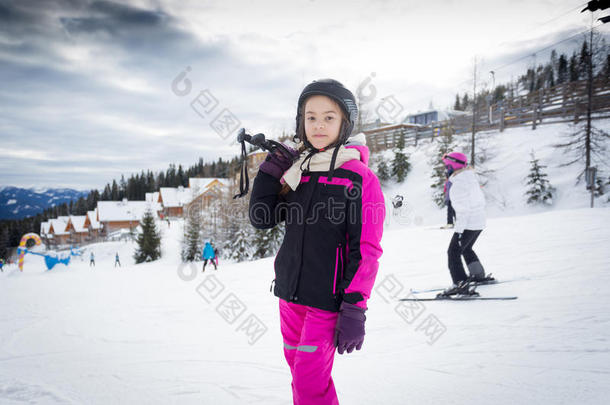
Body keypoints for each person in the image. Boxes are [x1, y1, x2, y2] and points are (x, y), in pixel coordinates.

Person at [249, 79, 385, 405]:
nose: (319, 125)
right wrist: (269, 174)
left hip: (327, 302)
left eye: (328, 117)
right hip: (290, 295)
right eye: (311, 117)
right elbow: (262, 218)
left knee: (309, 381)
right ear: (301, 122)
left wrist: (355, 307)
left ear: (344, 123)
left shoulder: (360, 178)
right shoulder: (299, 172)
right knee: (303, 377)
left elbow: (366, 250)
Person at [441, 151, 492, 295]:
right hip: (479, 222)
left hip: (468, 223)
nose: (446, 169)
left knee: (453, 252)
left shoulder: (458, 185)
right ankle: (478, 275)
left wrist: (458, 232)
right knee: (466, 248)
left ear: (453, 166)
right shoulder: (470, 179)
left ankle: (460, 284)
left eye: (447, 166)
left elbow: (463, 211)